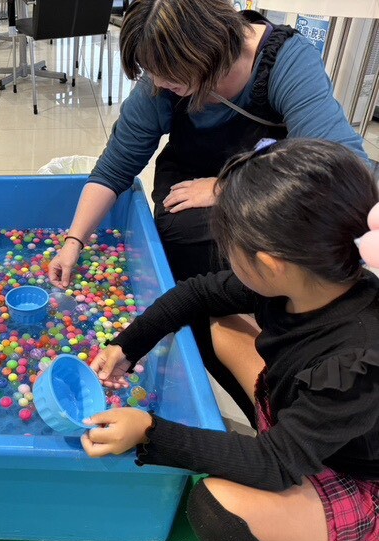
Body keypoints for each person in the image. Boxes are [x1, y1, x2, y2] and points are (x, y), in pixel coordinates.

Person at [48, 0, 368, 422]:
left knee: (274, 258)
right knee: (185, 247)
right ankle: (234, 350)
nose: (157, 84)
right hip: (190, 178)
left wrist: (226, 185)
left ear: (206, 53)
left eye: (170, 76)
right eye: (152, 73)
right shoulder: (161, 82)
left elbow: (341, 164)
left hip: (267, 183)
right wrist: (74, 240)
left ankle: (264, 341)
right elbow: (115, 167)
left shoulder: (283, 60)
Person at [82, 139, 379, 541]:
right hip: (306, 422)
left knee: (216, 512)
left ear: (271, 264)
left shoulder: (356, 364)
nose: (225, 259)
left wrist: (150, 431)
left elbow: (276, 464)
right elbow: (198, 293)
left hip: (356, 473)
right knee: (213, 321)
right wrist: (127, 346)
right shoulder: (310, 277)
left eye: (229, 250)